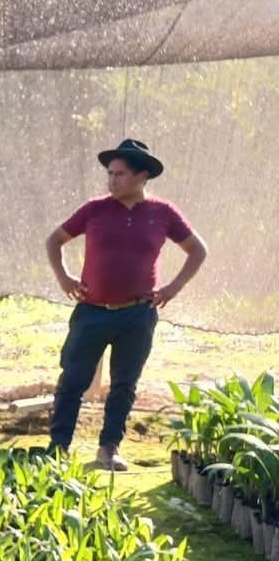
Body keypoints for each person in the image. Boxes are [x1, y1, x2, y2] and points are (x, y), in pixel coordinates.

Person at [46, 139, 207, 470]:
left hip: (137, 314)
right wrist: (64, 278)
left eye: (119, 174)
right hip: (91, 311)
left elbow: (197, 250)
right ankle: (58, 447)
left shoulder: (163, 214)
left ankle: (109, 448)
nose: (112, 180)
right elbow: (55, 240)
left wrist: (173, 287)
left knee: (124, 384)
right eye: (110, 174)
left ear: (141, 176)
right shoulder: (94, 209)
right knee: (73, 379)